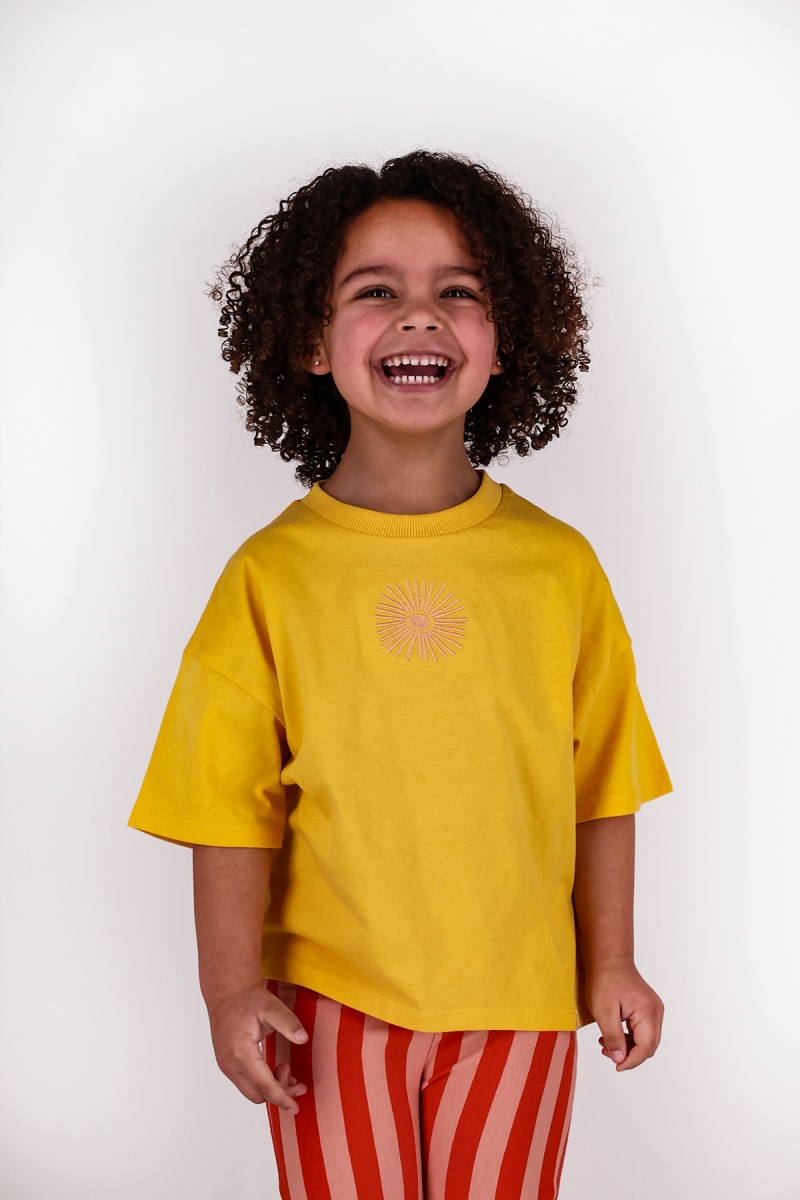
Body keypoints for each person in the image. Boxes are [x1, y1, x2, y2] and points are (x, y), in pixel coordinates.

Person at [128, 150, 672, 1200]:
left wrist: (610, 960)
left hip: (518, 1005)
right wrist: (227, 988)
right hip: (325, 1005)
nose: (419, 315)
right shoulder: (268, 576)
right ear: (309, 339)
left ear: (504, 339)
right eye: (375, 291)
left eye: (457, 292)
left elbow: (602, 785)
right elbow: (224, 806)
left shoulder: (560, 569)